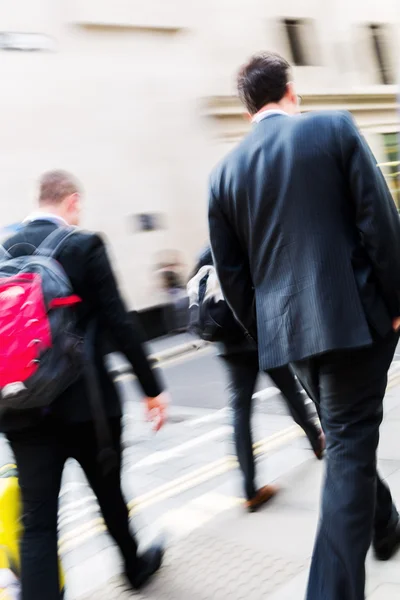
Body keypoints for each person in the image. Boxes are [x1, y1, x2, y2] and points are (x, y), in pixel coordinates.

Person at [208, 52, 400, 600]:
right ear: (290, 91)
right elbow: (379, 222)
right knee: (347, 446)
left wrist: (271, 331)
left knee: (345, 439)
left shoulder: (223, 174)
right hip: (354, 324)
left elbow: (235, 278)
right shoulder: (333, 128)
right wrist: (396, 300)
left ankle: (384, 525)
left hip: (291, 338)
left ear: (248, 107)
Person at [1, 170, 168, 599]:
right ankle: (134, 568)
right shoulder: (83, 245)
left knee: (37, 522)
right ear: (72, 201)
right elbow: (119, 321)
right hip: (88, 408)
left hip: (22, 411)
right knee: (109, 494)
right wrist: (151, 387)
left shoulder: (3, 249)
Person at [189, 245, 324, 512]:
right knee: (290, 390)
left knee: (240, 412)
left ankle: (249, 488)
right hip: (261, 336)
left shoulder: (205, 253)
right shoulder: (245, 243)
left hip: (228, 345)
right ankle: (316, 441)